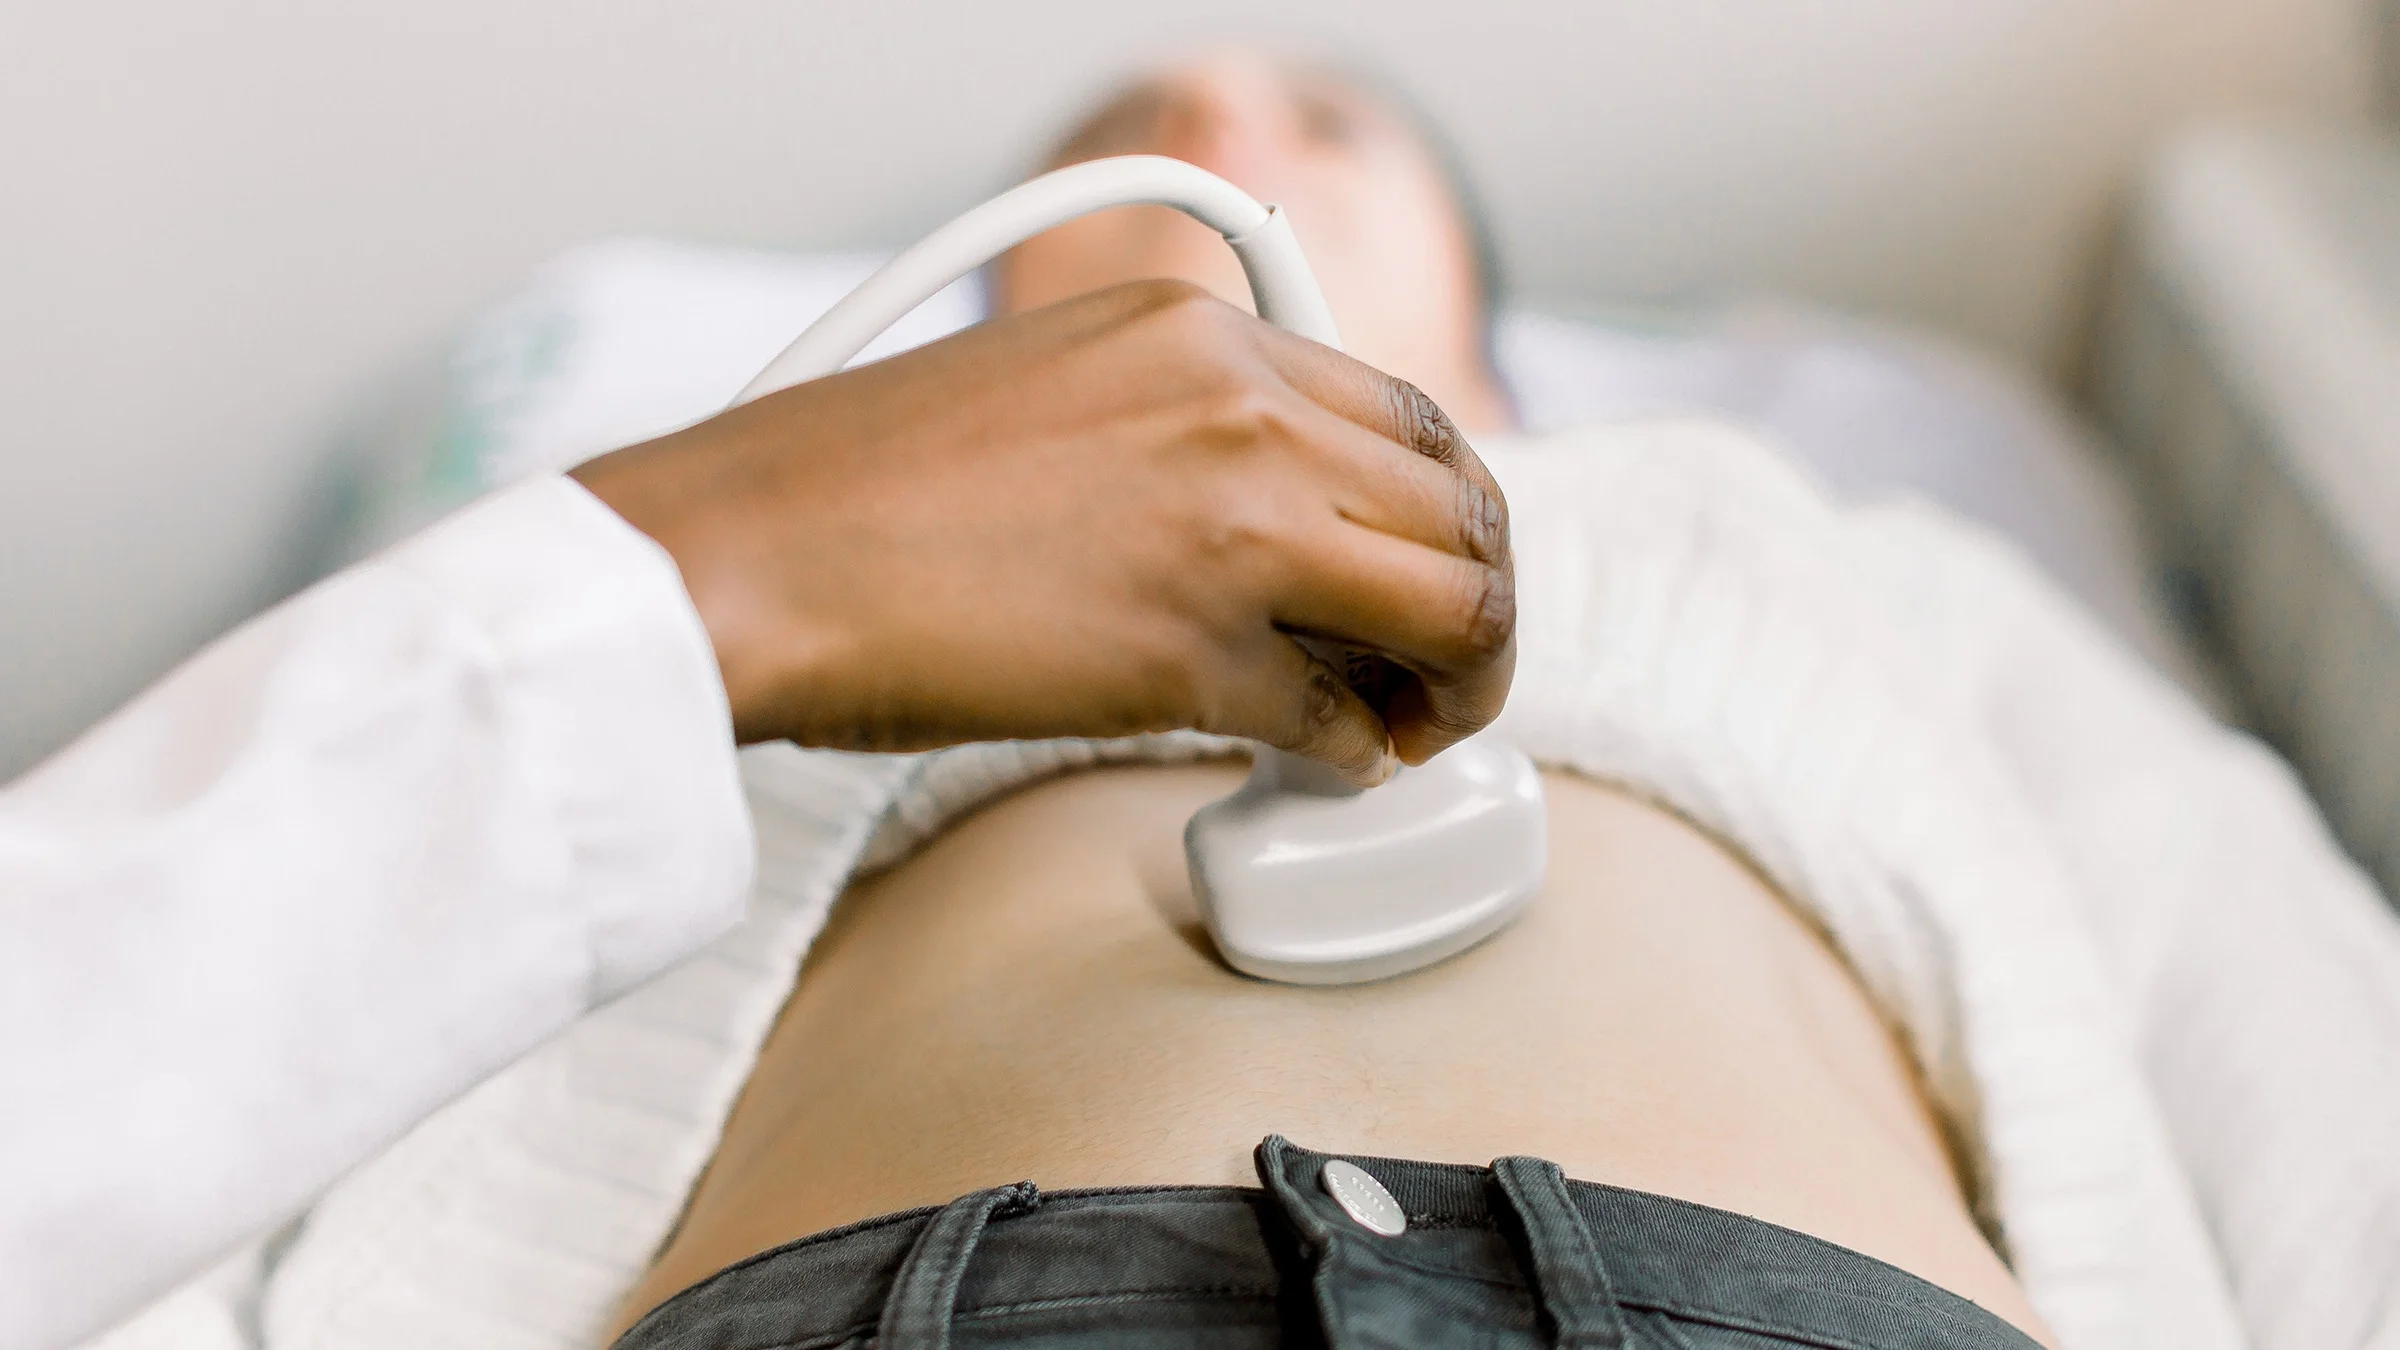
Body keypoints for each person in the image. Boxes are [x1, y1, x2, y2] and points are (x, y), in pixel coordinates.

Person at [0, 51, 2049, 1350]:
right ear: (976, 324)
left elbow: (2296, 1050)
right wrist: (728, 571)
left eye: (1326, 124)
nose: (1217, 132)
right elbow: (237, 1115)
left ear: (1500, 365)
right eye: (1117, 133)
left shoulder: (1810, 556)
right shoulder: (710, 562)